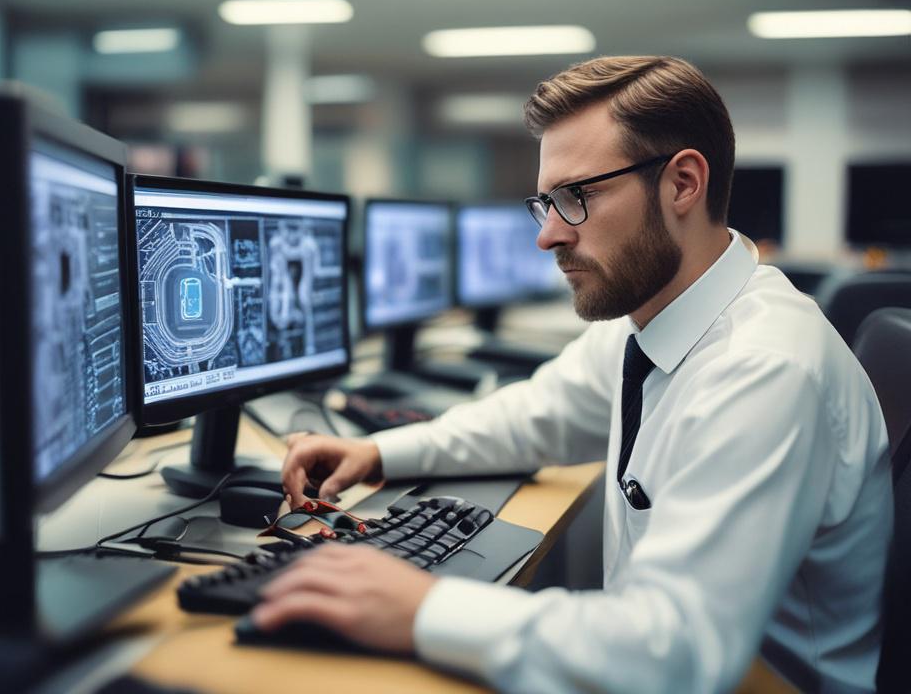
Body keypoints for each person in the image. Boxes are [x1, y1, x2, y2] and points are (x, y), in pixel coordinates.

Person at [255, 56, 893, 693]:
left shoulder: (763, 369)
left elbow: (674, 656)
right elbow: (537, 414)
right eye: (546, 202)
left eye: (577, 197)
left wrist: (422, 607)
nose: (548, 236)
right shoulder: (653, 321)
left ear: (682, 184)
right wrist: (375, 451)